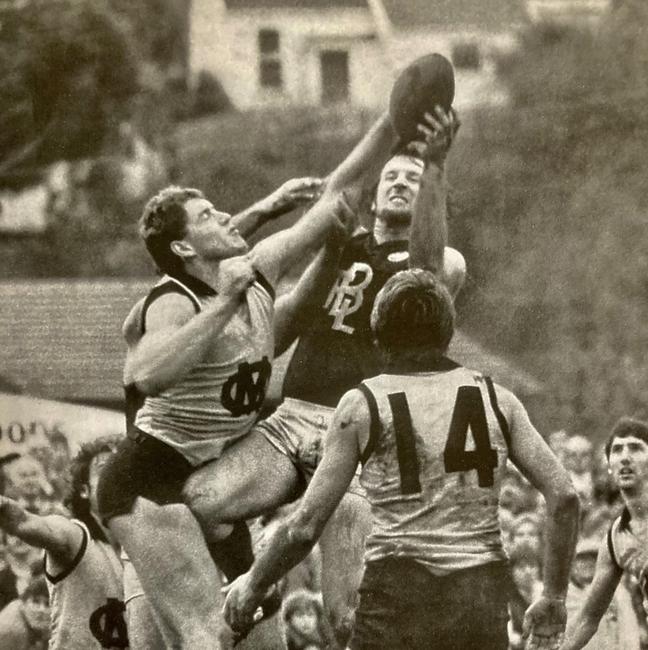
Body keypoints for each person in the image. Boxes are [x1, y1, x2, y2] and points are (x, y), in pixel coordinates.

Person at [96, 111, 400, 648]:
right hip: (152, 484)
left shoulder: (257, 269)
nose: (228, 218)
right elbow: (148, 374)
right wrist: (225, 302)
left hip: (219, 482)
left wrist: (396, 121)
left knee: (262, 635)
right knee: (201, 634)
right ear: (188, 249)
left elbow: (335, 197)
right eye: (211, 215)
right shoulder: (172, 301)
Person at [184, 107, 464, 646]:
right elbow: (278, 333)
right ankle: (257, 577)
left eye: (414, 178)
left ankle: (262, 577)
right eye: (393, 177)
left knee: (344, 617)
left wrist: (437, 167)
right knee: (200, 503)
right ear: (376, 197)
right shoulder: (342, 247)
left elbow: (427, 272)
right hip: (294, 417)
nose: (402, 183)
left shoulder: (442, 260)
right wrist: (327, 252)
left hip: (363, 437)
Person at [223, 269, 580, 649]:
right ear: (447, 334)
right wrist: (555, 597)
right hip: (478, 595)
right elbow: (565, 496)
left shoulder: (363, 403)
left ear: (377, 336)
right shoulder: (498, 399)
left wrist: (254, 583)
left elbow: (306, 526)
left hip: (397, 593)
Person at [0, 435, 129, 649]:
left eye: (123, 469)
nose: (118, 477)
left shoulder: (140, 548)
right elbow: (27, 522)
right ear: (84, 490)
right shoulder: (76, 535)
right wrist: (12, 515)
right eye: (106, 469)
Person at [560, 417, 648, 650]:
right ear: (609, 464)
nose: (625, 456)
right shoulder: (616, 538)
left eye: (636, 448)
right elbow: (588, 618)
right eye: (618, 449)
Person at [0, 573, 50, 650]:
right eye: (35, 602)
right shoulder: (13, 631)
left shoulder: (18, 605)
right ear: (24, 602)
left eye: (48, 604)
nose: (41, 609)